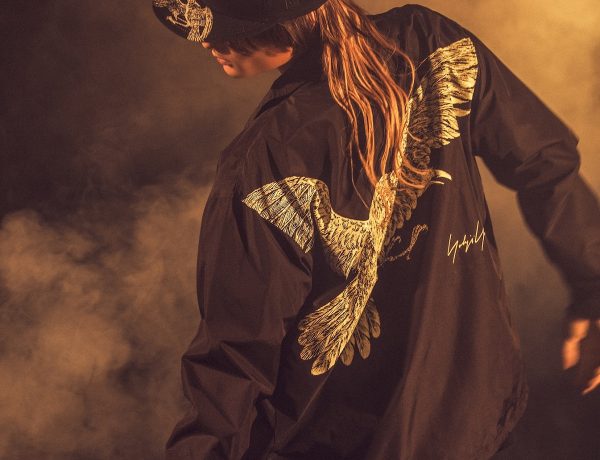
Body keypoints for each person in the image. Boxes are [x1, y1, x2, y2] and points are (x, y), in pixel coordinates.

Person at [151, 1, 600, 458]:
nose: (206, 41)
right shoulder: (431, 41)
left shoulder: (265, 160)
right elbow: (547, 161)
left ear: (286, 20)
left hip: (350, 443)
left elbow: (235, 358)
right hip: (480, 416)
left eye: (225, 24)